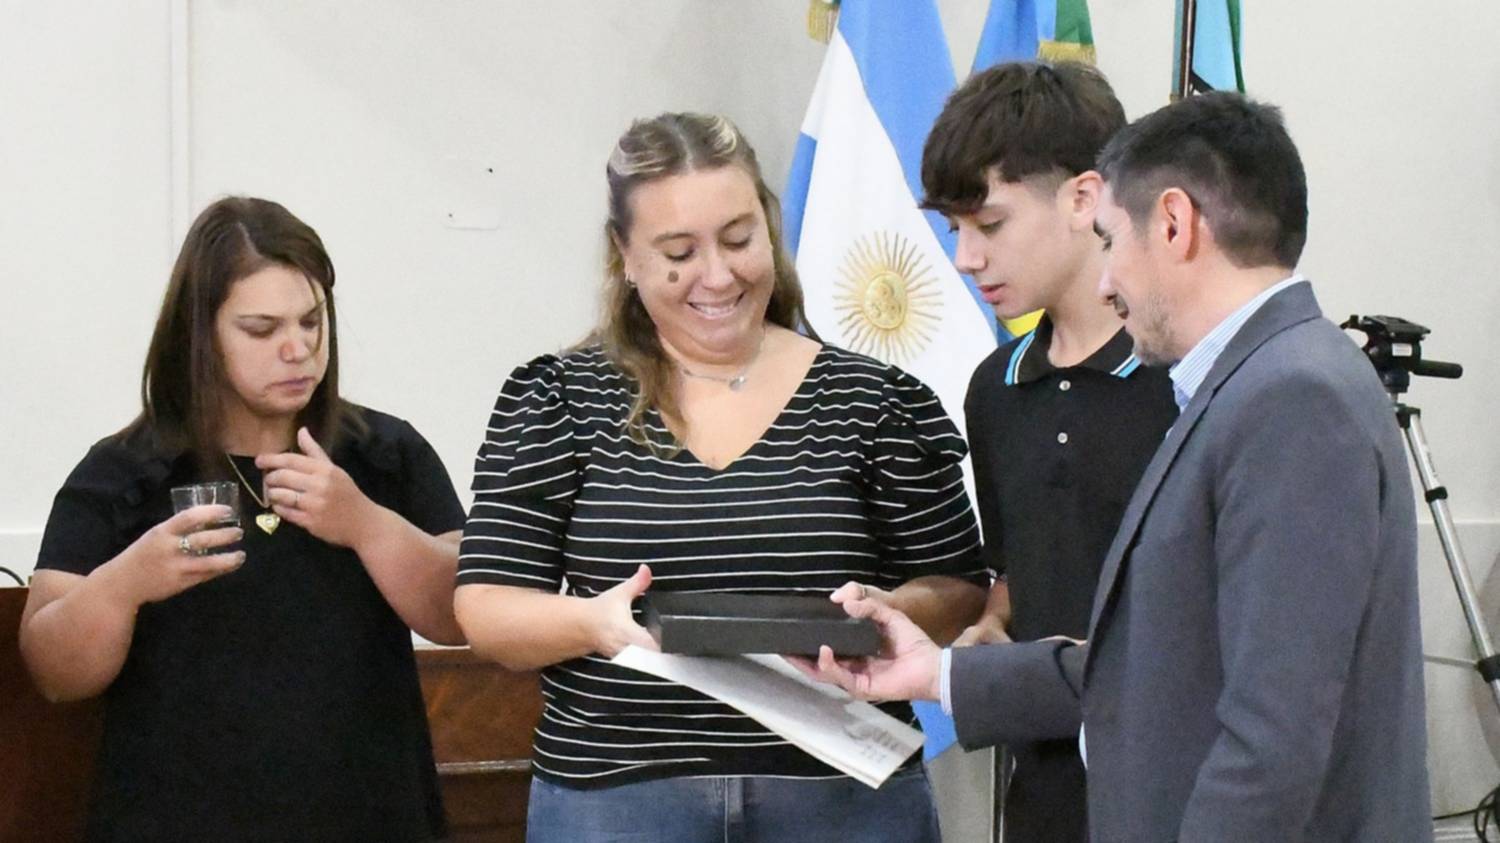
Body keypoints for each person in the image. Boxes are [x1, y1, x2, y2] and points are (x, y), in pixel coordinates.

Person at [799, 93, 1432, 841]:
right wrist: (935, 672)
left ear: (1174, 223)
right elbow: (1154, 668)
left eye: (1110, 238)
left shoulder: (1292, 397)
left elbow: (1273, 739)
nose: (1105, 282)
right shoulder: (1261, 381)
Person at [452, 112, 988, 843]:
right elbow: (486, 607)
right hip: (617, 794)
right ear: (625, 256)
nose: (718, 275)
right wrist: (593, 624)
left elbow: (958, 587)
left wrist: (885, 611)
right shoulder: (559, 400)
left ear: (769, 226)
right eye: (679, 252)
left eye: (738, 240)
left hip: (842, 794)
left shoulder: (875, 401)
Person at [19, 197, 465, 842]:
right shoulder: (125, 471)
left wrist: (367, 525)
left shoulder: (385, 454)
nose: (297, 349)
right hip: (176, 818)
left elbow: (459, 615)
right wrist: (126, 582)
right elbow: (54, 674)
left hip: (367, 812)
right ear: (199, 335)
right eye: (261, 329)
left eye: (312, 321)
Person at [920, 61, 1178, 841]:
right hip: (1045, 794)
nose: (965, 257)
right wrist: (989, 627)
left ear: (1084, 198)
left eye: (990, 224)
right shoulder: (995, 388)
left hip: (1175, 788)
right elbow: (1017, 572)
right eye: (954, 229)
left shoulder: (1187, 378)